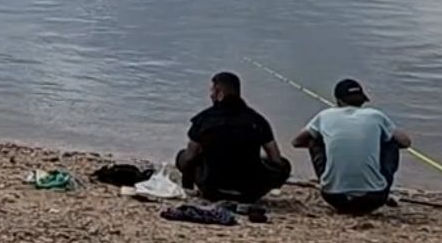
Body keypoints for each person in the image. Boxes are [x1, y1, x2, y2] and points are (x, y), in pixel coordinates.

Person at [292, 78, 412, 215]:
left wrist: (329, 141)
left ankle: (334, 180)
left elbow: (297, 142)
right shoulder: (375, 115)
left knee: (314, 140)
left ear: (338, 100)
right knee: (391, 142)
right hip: (374, 198)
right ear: (362, 100)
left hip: (333, 197)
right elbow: (405, 142)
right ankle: (372, 182)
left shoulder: (325, 115)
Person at [175, 71, 293, 202]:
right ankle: (266, 188)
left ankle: (188, 189)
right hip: (250, 192)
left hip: (212, 190)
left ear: (220, 94)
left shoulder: (204, 120)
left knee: (183, 156)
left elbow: (189, 157)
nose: (210, 96)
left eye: (212, 92)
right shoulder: (257, 120)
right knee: (285, 164)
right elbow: (276, 158)